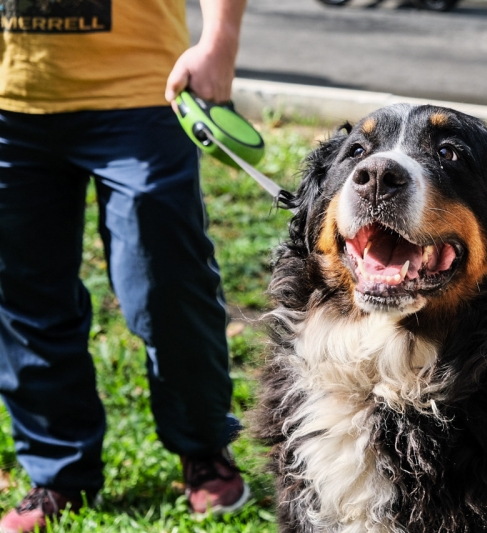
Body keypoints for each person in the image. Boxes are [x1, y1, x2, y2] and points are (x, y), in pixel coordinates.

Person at [0, 1, 250, 531]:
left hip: (141, 91)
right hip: (10, 98)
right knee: (23, 292)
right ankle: (57, 473)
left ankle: (203, 450)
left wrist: (219, 40)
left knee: (167, 284)